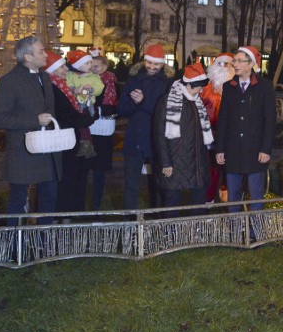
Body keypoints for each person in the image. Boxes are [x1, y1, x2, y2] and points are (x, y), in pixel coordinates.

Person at [0, 36, 60, 226]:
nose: (46, 54)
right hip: (23, 152)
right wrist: (34, 120)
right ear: (28, 57)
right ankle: (13, 248)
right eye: (41, 52)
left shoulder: (45, 78)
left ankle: (43, 247)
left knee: (48, 200)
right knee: (18, 202)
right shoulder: (9, 82)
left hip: (47, 151)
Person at [216, 46, 276, 215]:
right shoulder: (229, 87)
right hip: (233, 151)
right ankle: (235, 232)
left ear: (251, 64)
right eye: (234, 60)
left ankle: (255, 234)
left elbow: (269, 120)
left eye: (240, 61)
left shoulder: (264, 87)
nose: (235, 64)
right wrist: (220, 148)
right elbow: (223, 120)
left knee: (256, 196)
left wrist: (265, 149)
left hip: (255, 151)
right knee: (233, 197)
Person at [153, 63, 214, 217]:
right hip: (174, 160)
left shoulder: (196, 101)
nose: (200, 90)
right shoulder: (167, 101)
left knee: (199, 199)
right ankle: (170, 235)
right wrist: (165, 162)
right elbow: (159, 134)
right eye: (198, 87)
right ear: (187, 84)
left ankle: (196, 233)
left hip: (197, 160)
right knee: (171, 202)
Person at [117, 44, 169, 209]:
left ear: (163, 65)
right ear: (144, 61)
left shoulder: (167, 83)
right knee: (131, 185)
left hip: (156, 140)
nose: (152, 67)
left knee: (158, 184)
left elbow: (163, 111)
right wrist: (135, 103)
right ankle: (129, 223)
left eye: (156, 64)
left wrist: (142, 102)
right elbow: (121, 109)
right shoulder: (134, 80)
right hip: (134, 138)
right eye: (149, 63)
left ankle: (157, 218)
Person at [46, 50, 96, 218]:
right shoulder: (53, 89)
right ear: (51, 70)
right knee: (68, 179)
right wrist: (88, 117)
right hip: (67, 142)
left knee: (77, 178)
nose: (66, 69)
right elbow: (70, 116)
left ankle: (72, 214)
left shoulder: (66, 85)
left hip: (77, 138)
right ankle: (65, 216)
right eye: (61, 67)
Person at [84, 55, 118, 211]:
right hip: (89, 130)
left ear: (104, 67)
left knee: (99, 173)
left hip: (104, 131)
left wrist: (98, 110)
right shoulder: (86, 80)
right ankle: (81, 205)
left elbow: (116, 107)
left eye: (96, 66)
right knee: (83, 168)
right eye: (91, 66)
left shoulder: (111, 83)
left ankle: (96, 206)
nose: (92, 69)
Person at [201, 52, 234, 204]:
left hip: (230, 136)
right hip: (210, 136)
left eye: (228, 64)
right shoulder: (206, 88)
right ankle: (208, 199)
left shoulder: (236, 88)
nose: (224, 68)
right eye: (221, 64)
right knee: (212, 169)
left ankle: (227, 197)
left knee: (230, 170)